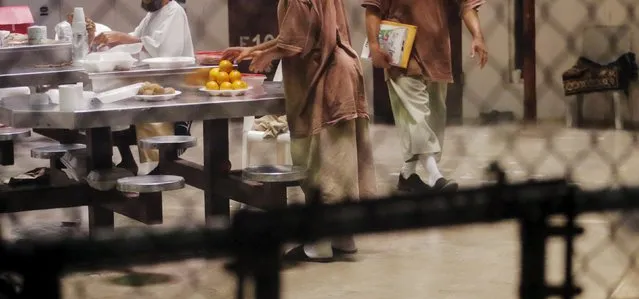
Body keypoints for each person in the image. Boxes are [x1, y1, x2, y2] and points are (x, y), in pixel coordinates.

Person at [223, 0, 377, 263]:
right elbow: (302, 32)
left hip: (325, 76)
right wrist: (254, 49)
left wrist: (266, 55)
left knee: (320, 164)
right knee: (342, 158)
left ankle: (319, 244)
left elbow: (295, 42)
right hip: (340, 70)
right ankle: (342, 236)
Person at [363, 0, 488, 193]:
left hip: (437, 53)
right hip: (401, 52)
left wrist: (478, 36)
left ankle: (408, 175)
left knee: (434, 115)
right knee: (415, 114)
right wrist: (373, 45)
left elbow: (467, 5)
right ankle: (435, 175)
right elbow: (373, 7)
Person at [92, 0, 195, 175]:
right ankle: (126, 159)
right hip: (151, 79)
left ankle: (158, 164)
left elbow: (166, 52)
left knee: (118, 99)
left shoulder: (174, 12)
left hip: (170, 84)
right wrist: (113, 40)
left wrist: (124, 38)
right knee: (108, 94)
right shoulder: (152, 15)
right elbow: (136, 38)